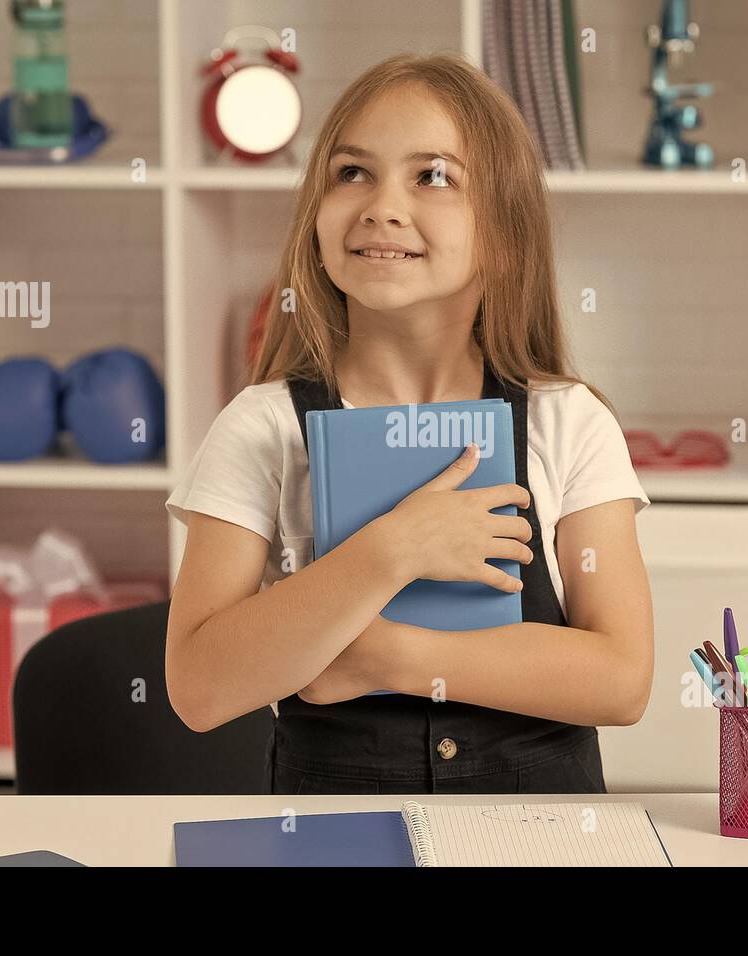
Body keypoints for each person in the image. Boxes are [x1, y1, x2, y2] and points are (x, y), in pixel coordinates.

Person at [166, 52, 653, 794]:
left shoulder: (567, 422)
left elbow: (621, 680)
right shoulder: (260, 429)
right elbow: (200, 689)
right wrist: (393, 548)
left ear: (503, 230)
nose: (379, 206)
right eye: (351, 172)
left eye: (432, 176)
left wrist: (382, 655)